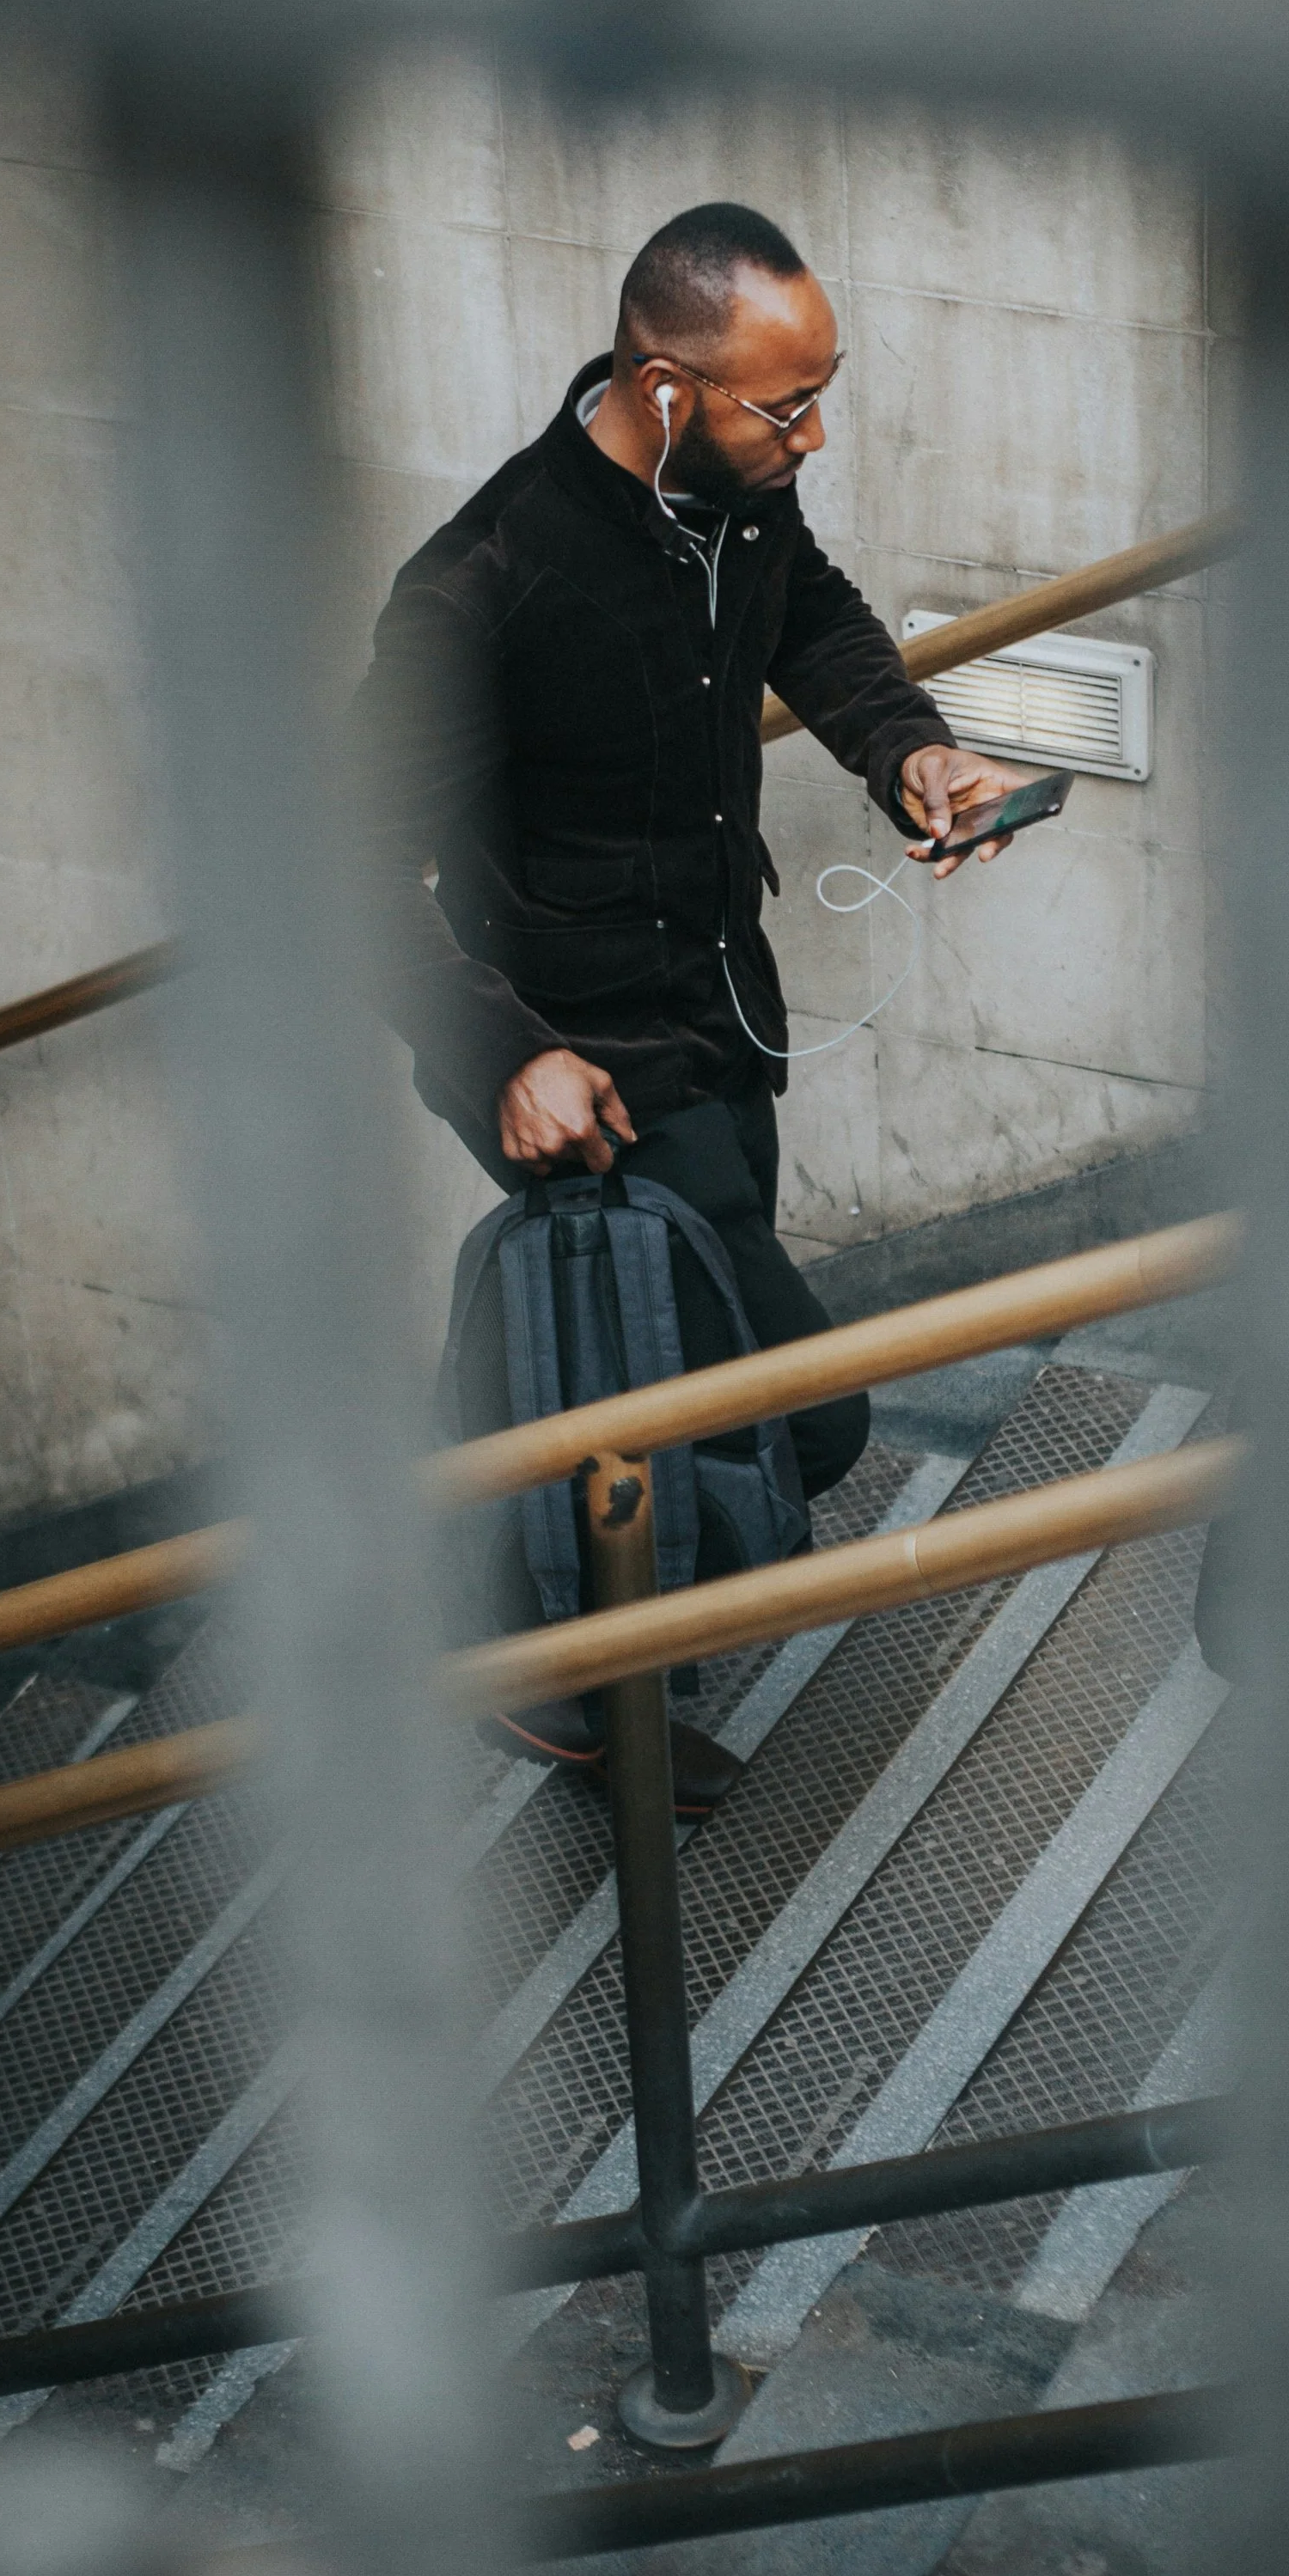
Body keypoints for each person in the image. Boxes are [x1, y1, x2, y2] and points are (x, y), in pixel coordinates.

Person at [356, 199, 1025, 1804]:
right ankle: (519, 1639)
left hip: (724, 1024)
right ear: (666, 388)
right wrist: (505, 1057)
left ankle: (594, 1664)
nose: (813, 436)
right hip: (584, 1072)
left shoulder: (734, 492)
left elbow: (816, 615)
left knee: (652, 1395)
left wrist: (909, 751)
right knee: (800, 1422)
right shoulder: (481, 585)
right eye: (787, 407)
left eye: (822, 396)